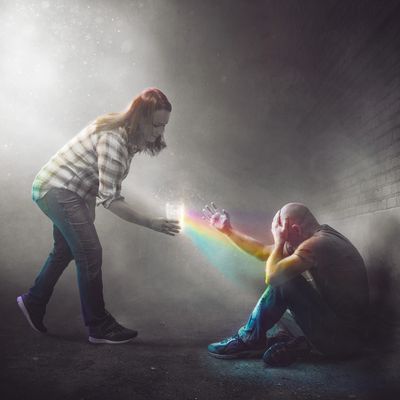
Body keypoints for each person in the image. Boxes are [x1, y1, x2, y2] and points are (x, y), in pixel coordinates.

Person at [17, 88, 180, 344]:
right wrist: (151, 223)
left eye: (164, 125)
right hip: (56, 190)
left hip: (69, 191)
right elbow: (112, 200)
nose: (159, 131)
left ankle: (33, 302)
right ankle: (98, 325)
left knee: (65, 250)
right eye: (156, 124)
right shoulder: (114, 140)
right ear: (140, 118)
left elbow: (91, 173)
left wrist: (87, 207)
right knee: (90, 253)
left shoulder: (130, 137)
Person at [203, 202, 369, 366]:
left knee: (285, 282)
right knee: (276, 308)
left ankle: (250, 340)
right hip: (337, 330)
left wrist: (281, 241)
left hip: (343, 341)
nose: (281, 240)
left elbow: (273, 276)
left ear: (296, 230)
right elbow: (262, 252)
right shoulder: (310, 237)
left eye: (283, 234)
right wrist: (228, 231)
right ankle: (293, 344)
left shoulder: (319, 244)